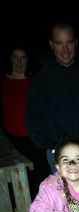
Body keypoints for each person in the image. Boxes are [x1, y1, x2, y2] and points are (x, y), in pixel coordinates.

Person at [25, 22, 79, 173]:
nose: (65, 50)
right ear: (51, 44)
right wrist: (48, 143)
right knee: (64, 196)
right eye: (59, 44)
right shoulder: (41, 79)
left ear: (76, 43)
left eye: (69, 43)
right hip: (58, 154)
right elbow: (33, 116)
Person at [1, 44, 49, 197]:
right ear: (10, 59)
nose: (19, 62)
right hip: (11, 139)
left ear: (28, 60)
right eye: (15, 57)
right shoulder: (2, 81)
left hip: (33, 137)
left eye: (23, 58)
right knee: (18, 181)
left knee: (40, 177)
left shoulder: (35, 81)